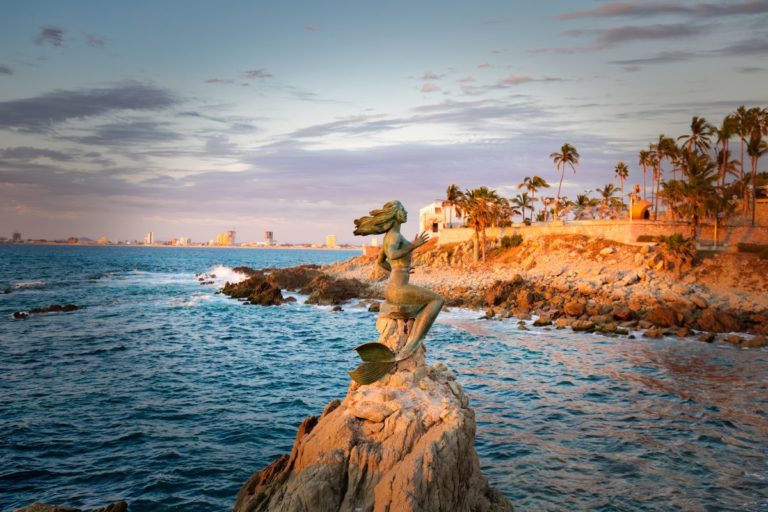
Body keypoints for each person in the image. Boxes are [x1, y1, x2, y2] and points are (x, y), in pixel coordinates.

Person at [350, 201, 444, 383]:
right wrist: (414, 245)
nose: (406, 212)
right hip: (398, 289)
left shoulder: (389, 236)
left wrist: (400, 269)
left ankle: (408, 342)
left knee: (424, 306)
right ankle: (409, 347)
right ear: (395, 215)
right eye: (402, 210)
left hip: (393, 287)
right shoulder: (394, 236)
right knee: (437, 300)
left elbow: (381, 262)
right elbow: (393, 255)